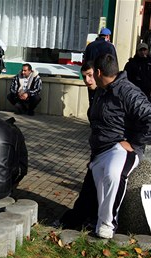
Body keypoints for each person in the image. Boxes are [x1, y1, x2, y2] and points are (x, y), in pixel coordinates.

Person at [88, 54, 151, 238]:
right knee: (99, 190)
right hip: (99, 151)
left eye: (92, 74)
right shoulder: (101, 90)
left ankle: (108, 225)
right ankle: (99, 223)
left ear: (99, 72)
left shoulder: (128, 92)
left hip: (120, 149)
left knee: (114, 175)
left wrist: (133, 142)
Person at [58, 61, 99, 230]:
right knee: (90, 186)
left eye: (90, 75)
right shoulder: (94, 93)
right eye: (84, 77)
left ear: (98, 73)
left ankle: (83, 218)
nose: (87, 80)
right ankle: (83, 217)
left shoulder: (107, 93)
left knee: (92, 186)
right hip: (97, 147)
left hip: (108, 149)